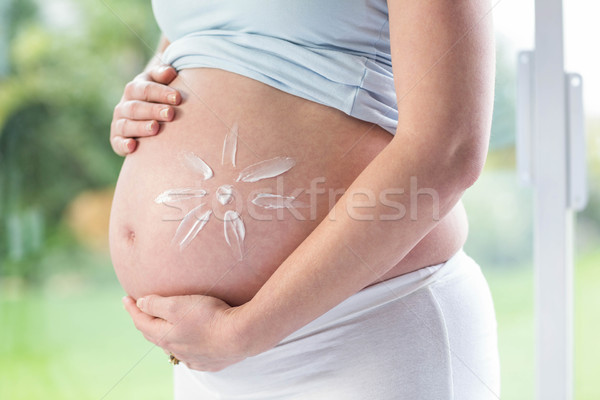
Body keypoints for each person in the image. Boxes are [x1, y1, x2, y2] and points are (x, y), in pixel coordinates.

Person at [109, 0, 500, 398]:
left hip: (366, 328)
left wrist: (244, 331)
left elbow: (448, 150)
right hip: (209, 356)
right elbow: (206, 39)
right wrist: (146, 89)